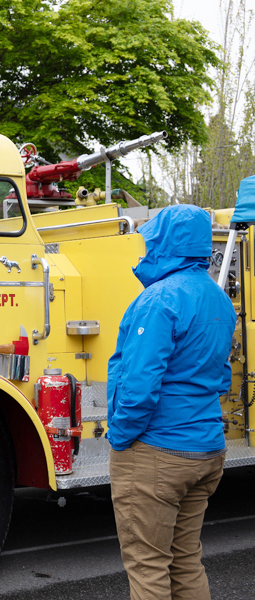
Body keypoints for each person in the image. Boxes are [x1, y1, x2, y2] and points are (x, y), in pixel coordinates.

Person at [107, 204, 236, 600]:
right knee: (185, 560)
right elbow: (220, 374)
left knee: (148, 566)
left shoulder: (158, 300)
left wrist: (119, 437)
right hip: (206, 445)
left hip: (157, 451)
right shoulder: (218, 298)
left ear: (164, 242)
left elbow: (139, 384)